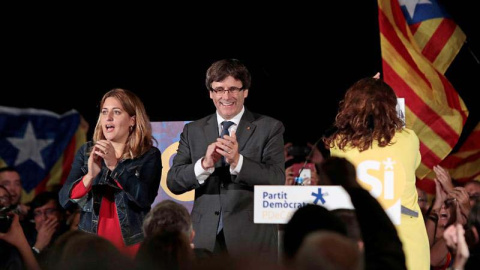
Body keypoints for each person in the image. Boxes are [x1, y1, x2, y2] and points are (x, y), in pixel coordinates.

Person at [166, 59, 285, 260]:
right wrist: (204, 165)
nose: (226, 96)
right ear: (210, 93)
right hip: (204, 240)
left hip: (251, 239)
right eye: (219, 89)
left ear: (245, 91)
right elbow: (174, 181)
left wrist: (238, 161)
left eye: (233, 89)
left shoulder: (269, 127)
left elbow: (276, 179)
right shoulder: (193, 130)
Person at [323, 76, 429, 270]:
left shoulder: (338, 144)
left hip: (363, 240)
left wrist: (364, 93)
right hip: (407, 243)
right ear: (391, 106)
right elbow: (413, 164)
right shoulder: (409, 139)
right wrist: (378, 93)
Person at [59, 88, 162, 258]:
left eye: (116, 112)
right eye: (104, 112)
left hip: (132, 246)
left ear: (132, 120)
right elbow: (64, 201)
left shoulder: (149, 155)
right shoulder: (86, 152)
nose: (108, 118)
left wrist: (115, 166)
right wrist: (90, 176)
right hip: (91, 246)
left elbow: (144, 198)